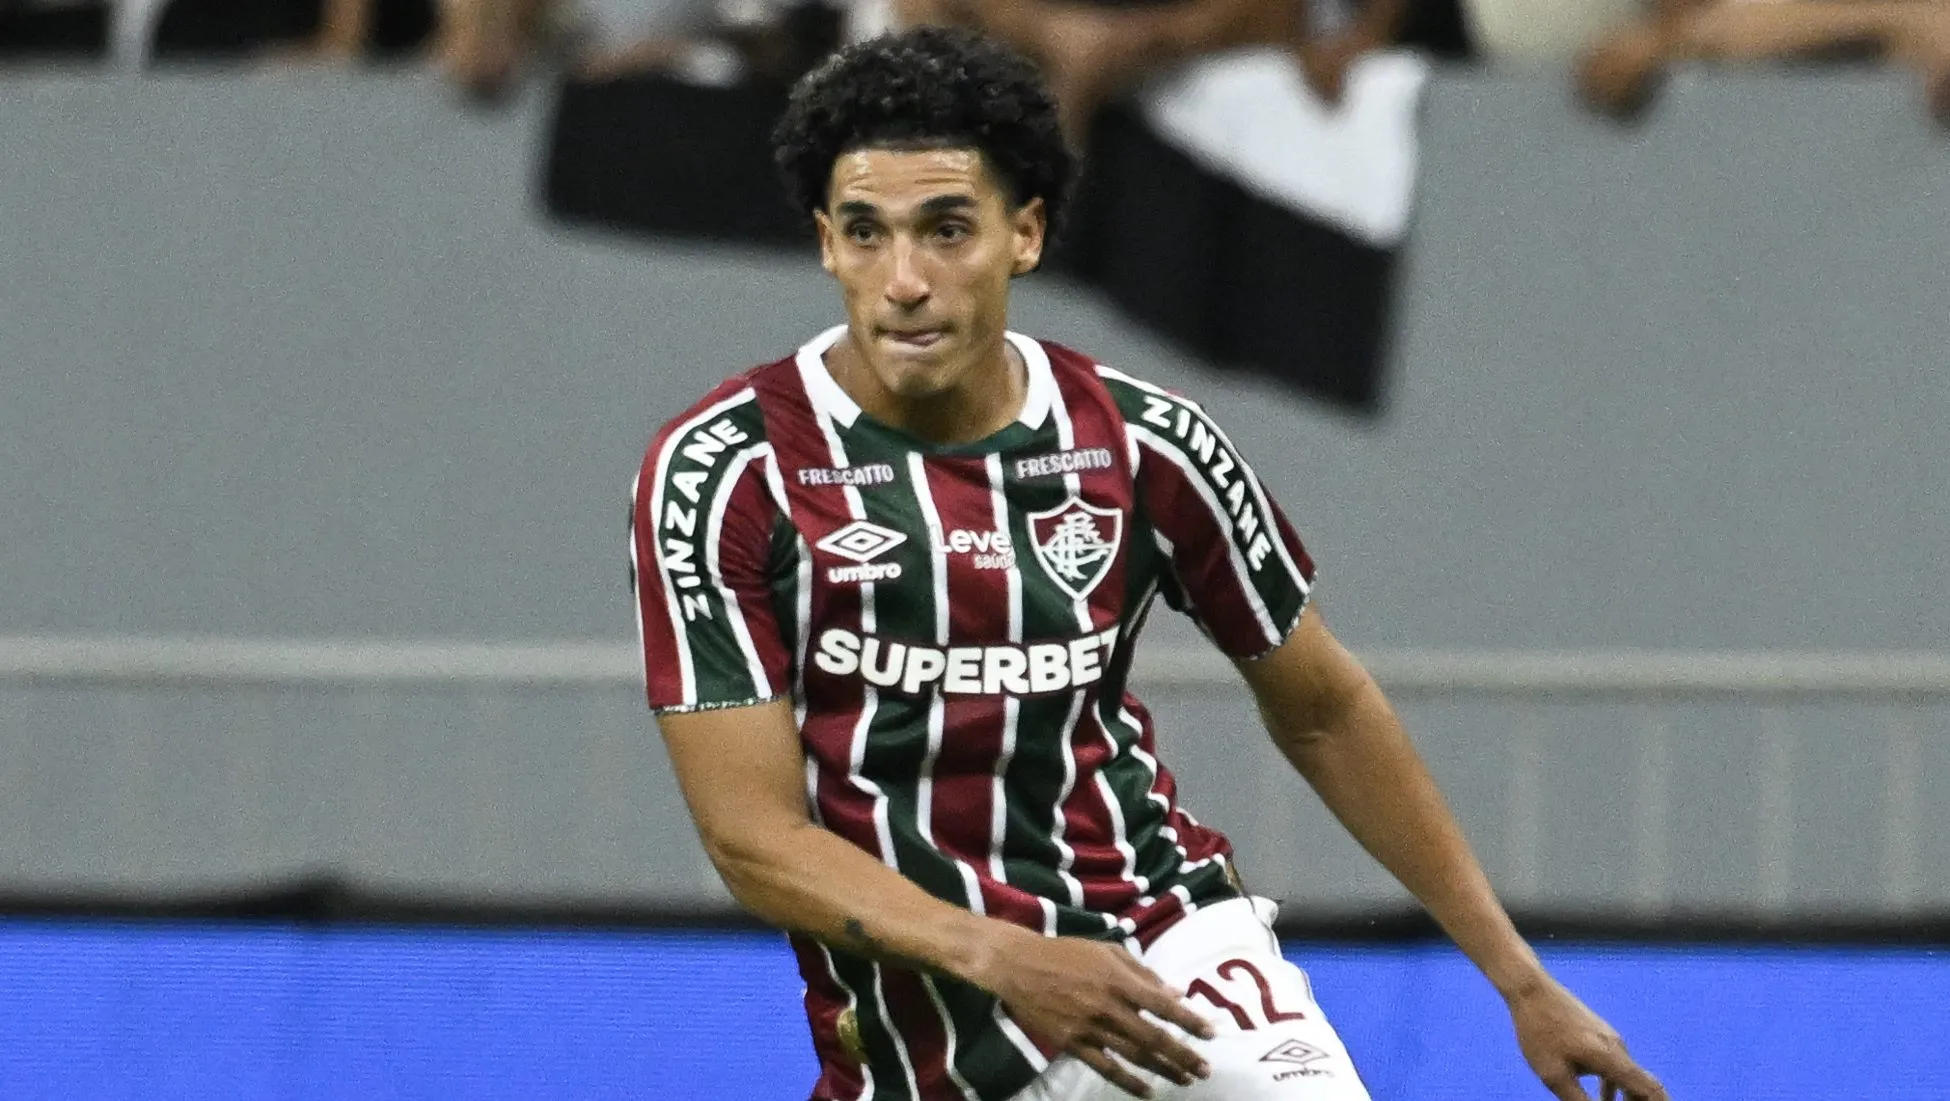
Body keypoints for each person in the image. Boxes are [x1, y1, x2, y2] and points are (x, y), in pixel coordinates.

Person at [631, 25, 1667, 1101]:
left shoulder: (1140, 442)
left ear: (1023, 235)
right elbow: (751, 837)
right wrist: (1002, 952)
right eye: (867, 233)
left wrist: (1519, 979)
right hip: (928, 1039)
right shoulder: (725, 474)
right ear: (827, 246)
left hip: (1159, 946)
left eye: (947, 230)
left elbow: (1321, 706)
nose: (904, 281)